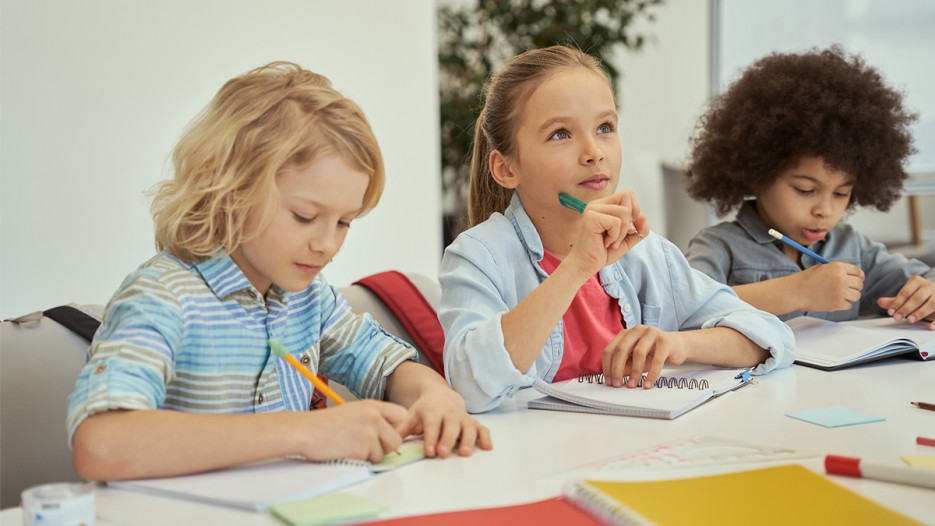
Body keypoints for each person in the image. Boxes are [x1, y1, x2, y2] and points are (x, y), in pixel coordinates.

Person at [67, 62, 492, 481]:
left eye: (344, 222)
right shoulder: (161, 298)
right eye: (305, 216)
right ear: (230, 192)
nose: (327, 244)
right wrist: (306, 433)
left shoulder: (308, 297)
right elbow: (100, 443)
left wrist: (437, 399)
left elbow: (387, 366)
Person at [439, 45, 794, 413]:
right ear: (506, 169)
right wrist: (577, 267)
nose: (594, 151)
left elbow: (769, 336)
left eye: (605, 127)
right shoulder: (476, 257)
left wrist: (680, 345)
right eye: (560, 134)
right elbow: (470, 386)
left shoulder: (646, 252)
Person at [684, 46, 935, 330]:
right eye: (805, 189)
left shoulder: (851, 249)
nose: (825, 210)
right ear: (758, 173)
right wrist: (797, 292)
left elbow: (927, 279)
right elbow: (684, 311)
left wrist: (926, 297)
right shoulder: (719, 246)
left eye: (842, 193)